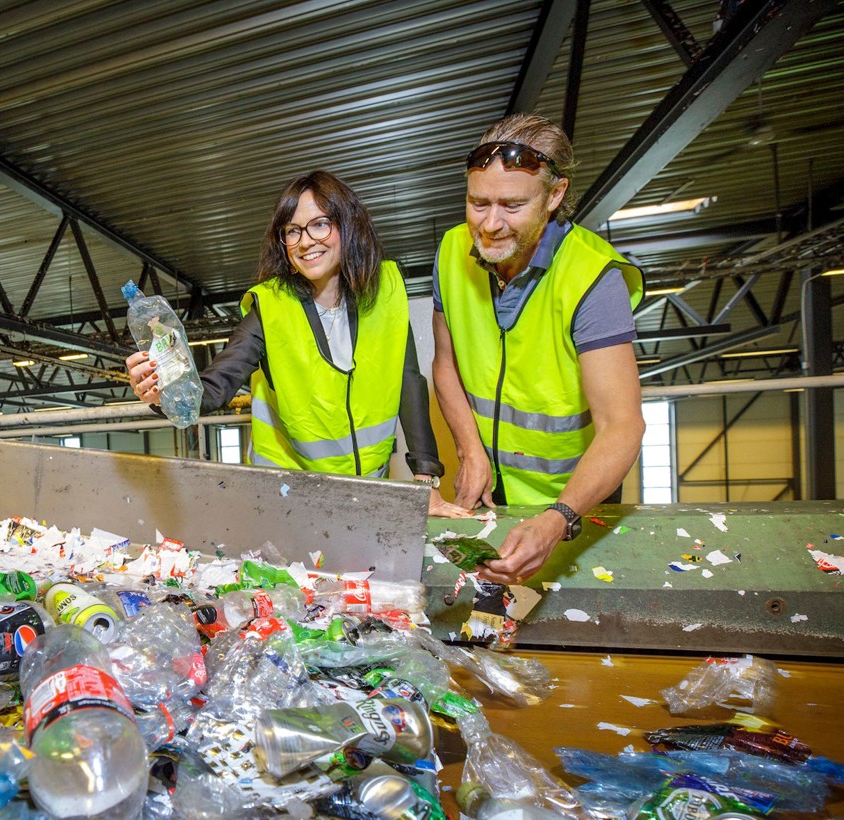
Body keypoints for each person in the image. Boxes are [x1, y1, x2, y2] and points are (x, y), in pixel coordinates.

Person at [127, 170, 467, 518]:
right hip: (289, 497)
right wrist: (161, 392)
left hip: (366, 490)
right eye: (292, 231)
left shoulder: (386, 292)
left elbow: (409, 383)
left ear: (348, 225)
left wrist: (427, 482)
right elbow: (213, 390)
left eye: (320, 224)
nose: (305, 242)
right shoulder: (270, 308)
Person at [431, 113, 646, 585]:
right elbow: (445, 366)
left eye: (511, 205)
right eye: (476, 202)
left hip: (572, 507)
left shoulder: (593, 278)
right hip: (492, 497)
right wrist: (470, 451)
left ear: (554, 195)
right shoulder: (450, 252)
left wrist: (557, 519)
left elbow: (622, 424)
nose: (489, 224)